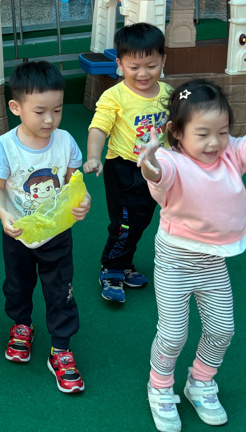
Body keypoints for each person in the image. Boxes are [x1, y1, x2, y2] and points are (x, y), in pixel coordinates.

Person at [137, 79, 246, 432]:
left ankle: (200, 381)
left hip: (212, 262)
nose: (214, 142)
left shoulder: (231, 153)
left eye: (223, 132)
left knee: (223, 329)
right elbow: (158, 174)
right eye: (202, 134)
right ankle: (160, 385)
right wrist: (148, 159)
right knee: (173, 334)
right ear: (177, 132)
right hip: (175, 261)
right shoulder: (170, 159)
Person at [0, 61, 91, 394]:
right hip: (18, 234)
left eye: (57, 110)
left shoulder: (65, 142)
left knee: (61, 290)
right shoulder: (6, 145)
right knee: (17, 286)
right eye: (40, 111)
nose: (50, 120)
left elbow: (74, 184)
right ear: (15, 107)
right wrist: (3, 215)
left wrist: (84, 200)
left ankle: (60, 348)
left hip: (56, 235)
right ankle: (21, 325)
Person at [84, 22, 172, 303]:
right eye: (134, 67)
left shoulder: (168, 93)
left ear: (163, 61)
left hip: (156, 169)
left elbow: (177, 128)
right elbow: (99, 128)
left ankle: (125, 263)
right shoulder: (115, 96)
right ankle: (111, 269)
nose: (143, 73)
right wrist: (94, 157)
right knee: (124, 223)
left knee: (142, 220)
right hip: (124, 169)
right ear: (120, 65)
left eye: (151, 66)